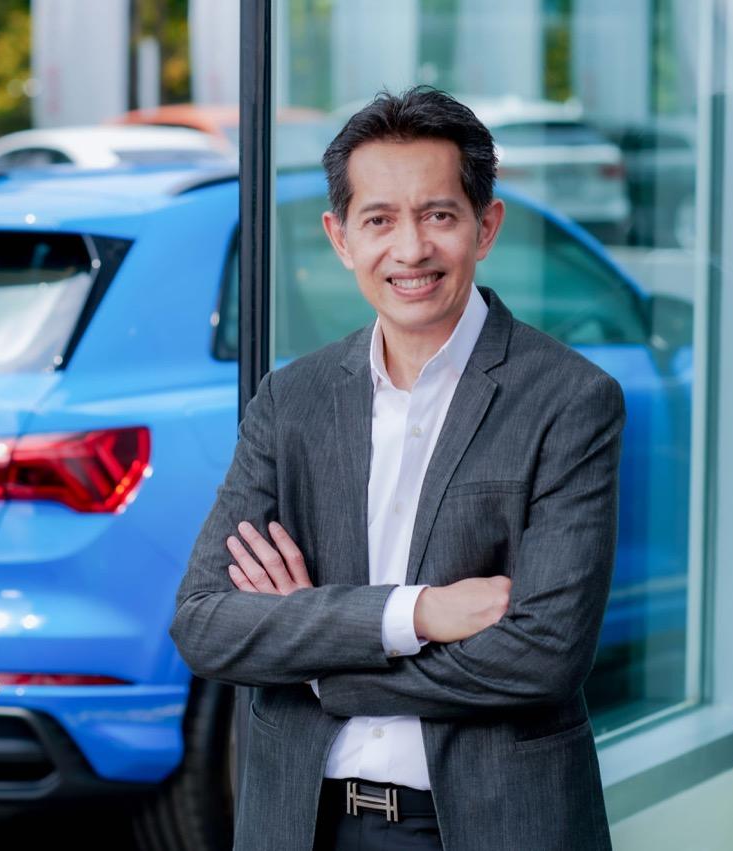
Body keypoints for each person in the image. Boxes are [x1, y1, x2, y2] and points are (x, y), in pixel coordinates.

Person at [169, 86, 623, 851]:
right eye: (379, 220)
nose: (410, 250)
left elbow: (543, 655)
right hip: (302, 825)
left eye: (438, 215)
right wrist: (416, 614)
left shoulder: (569, 399)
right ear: (340, 237)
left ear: (486, 226)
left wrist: (319, 666)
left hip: (487, 827)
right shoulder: (290, 400)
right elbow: (205, 622)